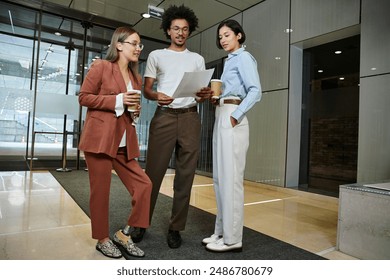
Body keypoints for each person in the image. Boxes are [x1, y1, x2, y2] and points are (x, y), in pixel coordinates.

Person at [130, 4, 212, 249]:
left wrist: (203, 95)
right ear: (168, 30)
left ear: (190, 31)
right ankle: (140, 223)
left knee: (185, 176)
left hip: (190, 118)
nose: (180, 33)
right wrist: (157, 96)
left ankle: (176, 228)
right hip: (164, 116)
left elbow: (198, 94)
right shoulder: (157, 56)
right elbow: (147, 89)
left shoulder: (197, 59)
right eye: (176, 28)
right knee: (152, 174)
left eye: (185, 29)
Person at [78, 26, 152, 259]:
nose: (138, 48)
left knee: (144, 186)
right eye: (134, 43)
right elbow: (84, 97)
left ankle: (125, 233)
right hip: (100, 139)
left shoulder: (135, 77)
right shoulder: (101, 66)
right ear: (119, 45)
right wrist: (118, 100)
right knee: (100, 192)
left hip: (123, 141)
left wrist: (135, 111)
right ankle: (103, 239)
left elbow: (131, 110)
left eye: (140, 45)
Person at [202, 19, 262, 252]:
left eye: (227, 34)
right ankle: (221, 232)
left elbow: (256, 91)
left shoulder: (244, 58)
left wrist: (235, 115)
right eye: (220, 37)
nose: (223, 39)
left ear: (239, 35)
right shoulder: (230, 61)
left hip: (232, 117)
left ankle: (233, 238)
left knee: (232, 180)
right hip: (222, 114)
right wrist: (217, 98)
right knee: (220, 178)